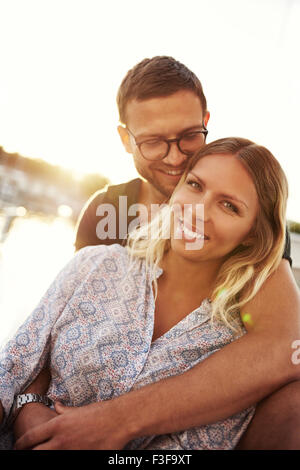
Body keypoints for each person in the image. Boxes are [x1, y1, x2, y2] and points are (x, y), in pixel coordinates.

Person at [7, 57, 300, 450]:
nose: (176, 157)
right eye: (153, 141)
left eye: (188, 136)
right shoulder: (106, 216)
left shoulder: (247, 217)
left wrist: (114, 423)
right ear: (127, 140)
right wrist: (32, 407)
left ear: (206, 122)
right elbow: (56, 325)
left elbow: (286, 346)